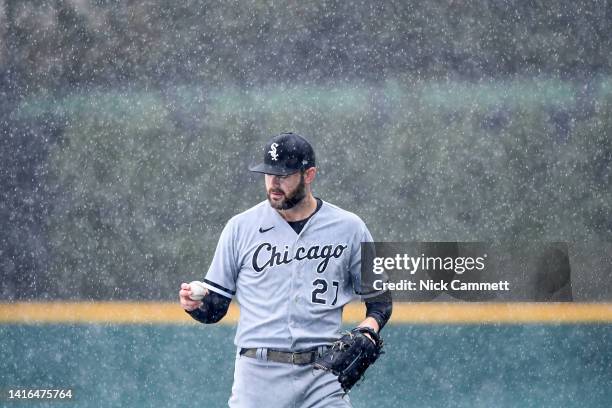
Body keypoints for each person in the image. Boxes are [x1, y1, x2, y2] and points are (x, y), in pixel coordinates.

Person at [179, 132, 392, 408]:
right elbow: (215, 307)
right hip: (257, 375)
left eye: (284, 174)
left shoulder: (349, 228)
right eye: (269, 174)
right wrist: (195, 304)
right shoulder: (240, 227)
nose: (274, 183)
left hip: (323, 376)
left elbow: (380, 299)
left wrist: (368, 329)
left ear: (309, 174)